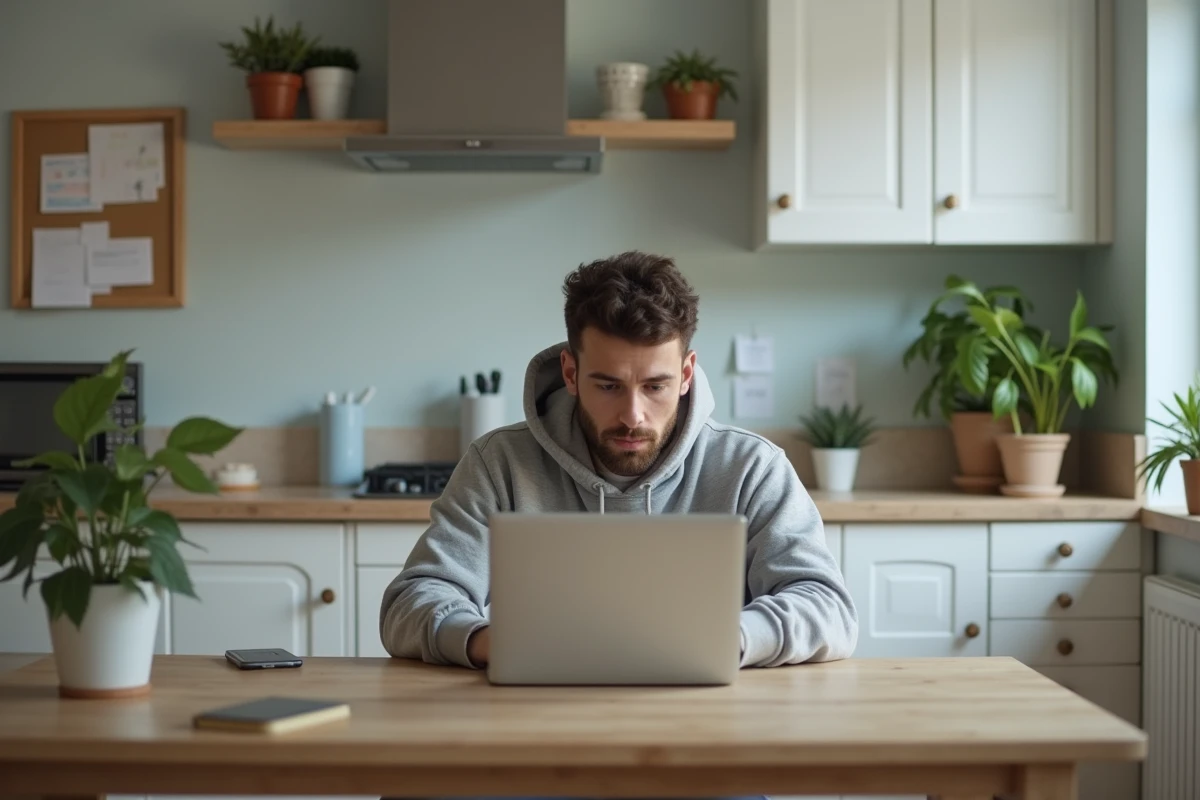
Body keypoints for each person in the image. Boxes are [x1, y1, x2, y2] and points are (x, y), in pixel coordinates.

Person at [380, 250, 857, 671]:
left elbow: (828, 608)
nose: (632, 415)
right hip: (536, 717)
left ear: (687, 374)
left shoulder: (752, 468)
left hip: (710, 720)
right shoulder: (499, 464)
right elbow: (409, 603)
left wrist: (727, 639)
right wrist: (491, 642)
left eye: (655, 386)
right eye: (608, 386)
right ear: (571, 373)